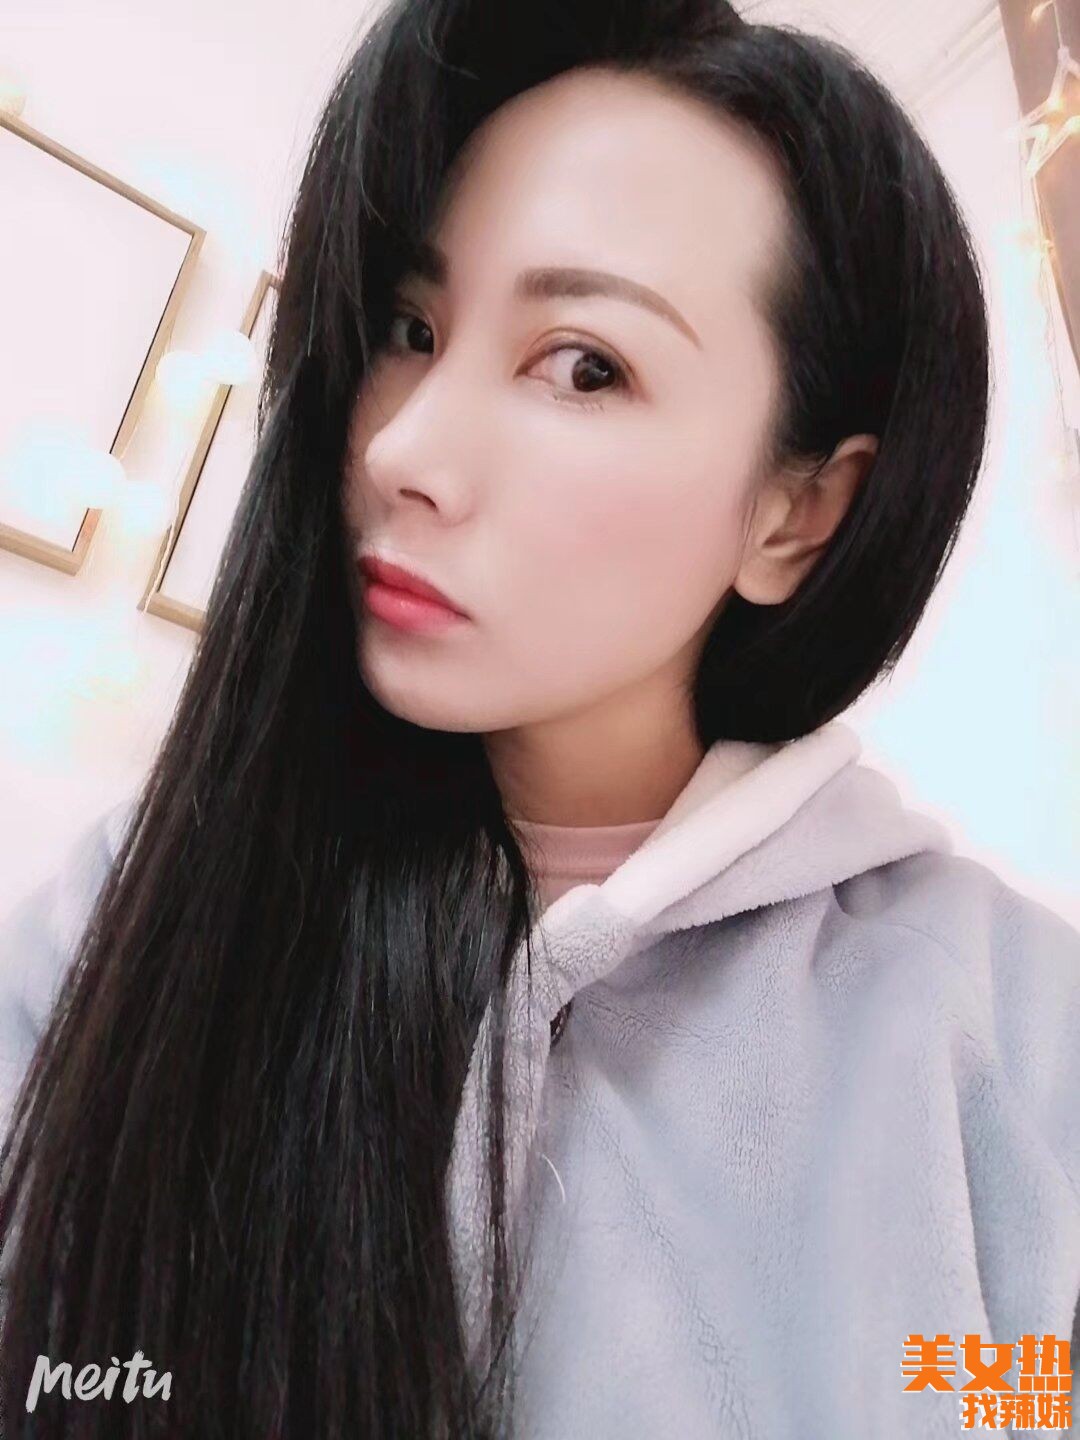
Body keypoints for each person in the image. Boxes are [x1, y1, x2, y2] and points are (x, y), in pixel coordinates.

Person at [0, 0, 1076, 1435]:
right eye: (411, 329)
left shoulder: (1008, 1028)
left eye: (584, 365)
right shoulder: (145, 901)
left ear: (798, 513)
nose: (405, 449)